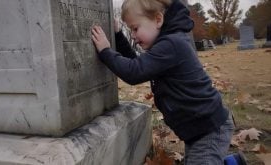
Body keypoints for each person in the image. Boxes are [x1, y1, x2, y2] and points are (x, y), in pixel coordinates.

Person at [91, 0, 236, 164]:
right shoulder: (166, 44)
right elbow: (137, 64)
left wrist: (105, 51)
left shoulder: (172, 45)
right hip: (196, 128)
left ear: (158, 20)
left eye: (135, 28)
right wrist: (118, 36)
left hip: (209, 128)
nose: (132, 34)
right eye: (130, 30)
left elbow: (134, 72)